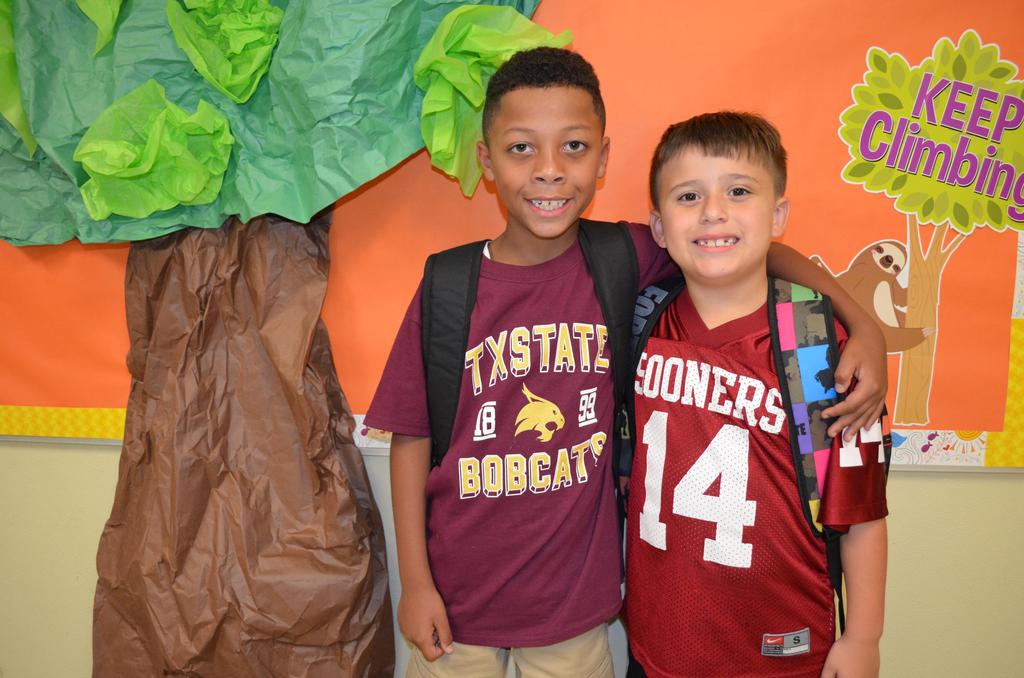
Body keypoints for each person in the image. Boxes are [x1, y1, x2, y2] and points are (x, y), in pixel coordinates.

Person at [365, 49, 886, 677]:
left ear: (604, 159)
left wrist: (864, 324)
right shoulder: (448, 284)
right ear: (486, 160)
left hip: (576, 610)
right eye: (522, 149)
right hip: (456, 606)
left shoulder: (625, 257)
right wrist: (414, 584)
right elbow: (411, 435)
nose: (550, 172)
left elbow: (755, 246)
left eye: (575, 147)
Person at [625, 112, 888, 678]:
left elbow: (862, 514)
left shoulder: (816, 345)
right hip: (658, 642)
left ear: (779, 215)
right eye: (688, 195)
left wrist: (863, 637)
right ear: (658, 226)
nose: (713, 211)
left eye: (739, 191)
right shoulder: (644, 319)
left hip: (782, 649)